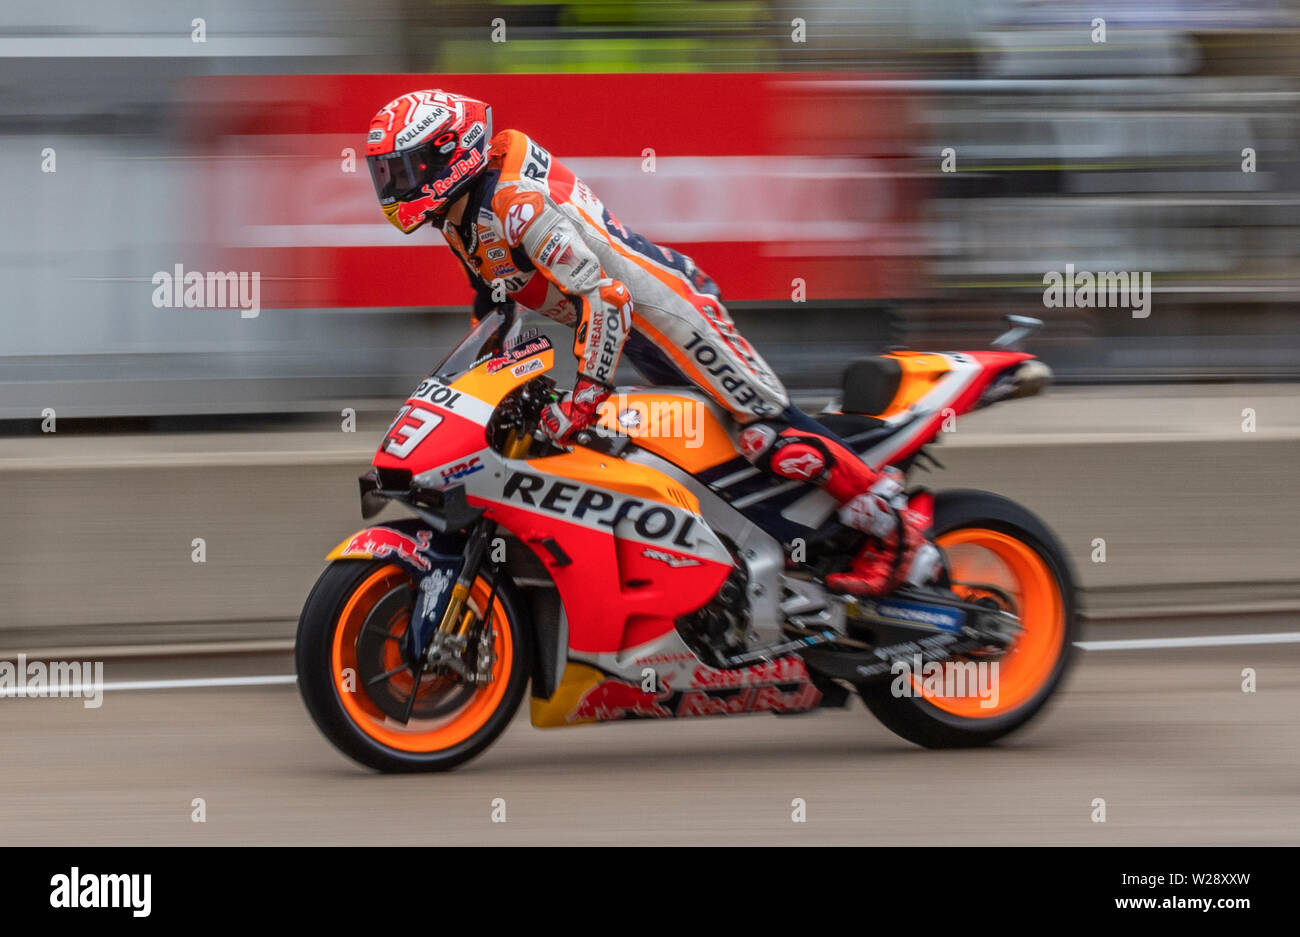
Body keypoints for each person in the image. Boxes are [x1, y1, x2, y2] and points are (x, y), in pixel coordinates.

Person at [365, 89, 938, 595]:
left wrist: (585, 395)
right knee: (698, 450)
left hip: (671, 313)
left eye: (402, 169)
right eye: (386, 173)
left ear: (448, 155)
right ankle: (791, 547)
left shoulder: (517, 206)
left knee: (766, 434)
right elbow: (493, 310)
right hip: (637, 334)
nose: (392, 186)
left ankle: (895, 528)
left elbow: (607, 298)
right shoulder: (462, 219)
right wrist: (479, 395)